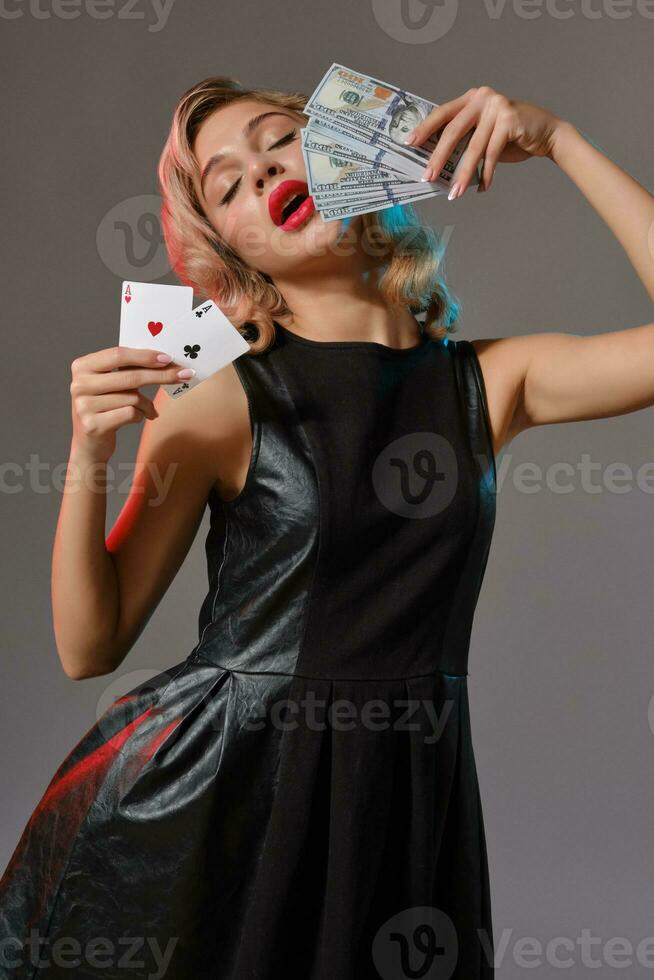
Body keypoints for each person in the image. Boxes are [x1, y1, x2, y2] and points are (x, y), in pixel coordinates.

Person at [1, 75, 653, 980]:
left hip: (411, 795)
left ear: (357, 151)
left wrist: (561, 140)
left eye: (280, 140)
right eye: (226, 185)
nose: (263, 171)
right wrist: (87, 452)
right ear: (231, 250)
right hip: (229, 800)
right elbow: (89, 645)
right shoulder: (219, 402)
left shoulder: (487, 383)